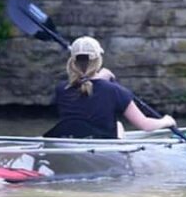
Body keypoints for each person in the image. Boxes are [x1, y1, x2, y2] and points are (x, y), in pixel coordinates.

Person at [44, 36, 176, 139]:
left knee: (117, 126)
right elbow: (145, 125)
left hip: (71, 142)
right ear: (98, 60)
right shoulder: (114, 90)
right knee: (118, 126)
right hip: (102, 149)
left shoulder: (62, 89)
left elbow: (87, 89)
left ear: (73, 61)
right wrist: (166, 121)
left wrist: (100, 78)